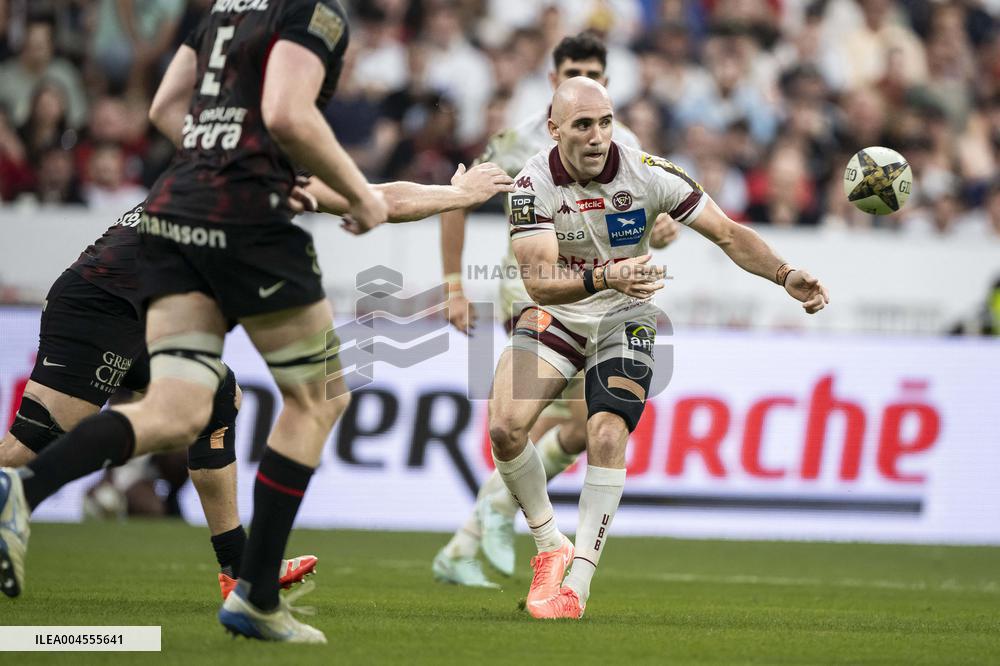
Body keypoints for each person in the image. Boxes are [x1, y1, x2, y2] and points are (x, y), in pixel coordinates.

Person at [0, 0, 508, 644]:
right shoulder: (311, 19)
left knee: (194, 405)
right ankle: (256, 593)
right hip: (168, 265)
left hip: (173, 227)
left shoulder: (222, 15)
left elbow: (162, 109)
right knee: (318, 395)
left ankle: (34, 497)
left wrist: (223, 161)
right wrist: (304, 182)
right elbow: (299, 125)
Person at [491, 77, 828, 619]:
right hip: (560, 312)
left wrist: (784, 274)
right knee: (505, 428)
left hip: (627, 316)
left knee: (605, 430)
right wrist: (607, 273)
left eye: (604, 121)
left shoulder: (648, 173)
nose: (598, 135)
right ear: (555, 130)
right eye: (582, 125)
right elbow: (539, 279)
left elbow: (728, 233)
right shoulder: (532, 182)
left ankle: (576, 587)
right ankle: (551, 546)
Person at [434, 31, 679, 588]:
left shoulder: (627, 146)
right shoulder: (517, 143)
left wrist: (661, 234)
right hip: (532, 293)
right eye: (571, 70)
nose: (581, 78)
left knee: (574, 428)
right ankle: (502, 521)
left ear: (608, 83)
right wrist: (453, 283)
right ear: (552, 81)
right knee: (541, 421)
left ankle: (484, 524)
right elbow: (457, 200)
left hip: (603, 298)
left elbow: (644, 229)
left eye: (593, 70)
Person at [0, 200, 318, 601]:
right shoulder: (240, 185)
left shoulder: (217, 171)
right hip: (101, 308)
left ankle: (240, 568)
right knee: (26, 448)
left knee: (219, 395)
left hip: (138, 315)